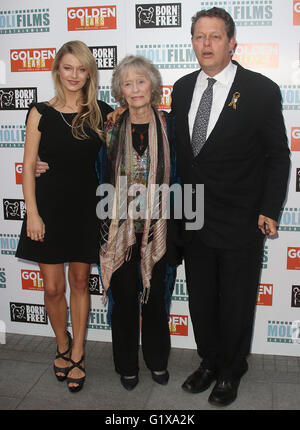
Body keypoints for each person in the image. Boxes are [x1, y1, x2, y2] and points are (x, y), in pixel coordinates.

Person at [171, 7, 290, 406]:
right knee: (202, 299)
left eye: (215, 36)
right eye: (199, 37)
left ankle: (231, 369)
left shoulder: (260, 90)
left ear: (232, 42)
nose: (206, 44)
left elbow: (277, 156)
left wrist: (270, 208)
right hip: (192, 214)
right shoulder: (183, 87)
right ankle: (209, 361)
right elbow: (178, 146)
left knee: (237, 300)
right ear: (192, 42)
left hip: (241, 216)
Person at [15, 40, 113, 393]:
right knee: (54, 288)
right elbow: (28, 166)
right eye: (68, 68)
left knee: (79, 282)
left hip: (87, 211)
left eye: (81, 69)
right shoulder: (40, 111)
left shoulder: (102, 111)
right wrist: (33, 215)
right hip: (49, 210)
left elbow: (121, 158)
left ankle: (78, 352)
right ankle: (61, 343)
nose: (74, 75)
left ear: (90, 73)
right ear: (58, 70)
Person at [98, 55, 179, 391]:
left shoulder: (172, 125)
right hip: (119, 229)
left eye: (141, 81)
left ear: (153, 86)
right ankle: (127, 365)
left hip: (162, 226)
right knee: (124, 299)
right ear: (120, 90)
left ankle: (157, 360)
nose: (135, 89)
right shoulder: (110, 127)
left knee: (156, 298)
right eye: (127, 83)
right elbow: (88, 169)